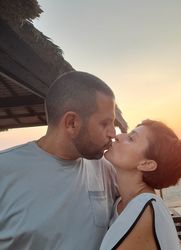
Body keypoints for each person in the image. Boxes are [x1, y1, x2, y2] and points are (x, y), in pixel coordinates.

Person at [0, 71, 119, 250]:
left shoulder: (106, 169)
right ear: (71, 123)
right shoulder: (5, 170)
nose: (113, 133)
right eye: (105, 123)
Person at [100, 119, 181, 250]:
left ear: (146, 164)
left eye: (131, 138)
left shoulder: (145, 208)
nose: (118, 136)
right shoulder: (121, 204)